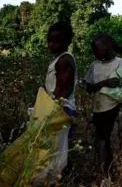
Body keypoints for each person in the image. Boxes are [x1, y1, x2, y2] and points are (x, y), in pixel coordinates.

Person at [84, 33, 122, 178]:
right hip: (99, 109)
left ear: (108, 47)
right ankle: (105, 172)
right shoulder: (94, 66)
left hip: (115, 109)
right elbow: (88, 87)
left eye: (98, 49)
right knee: (103, 140)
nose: (95, 53)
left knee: (107, 140)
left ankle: (110, 172)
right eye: (94, 50)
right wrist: (103, 83)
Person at [41, 21, 78, 183]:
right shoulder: (59, 60)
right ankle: (53, 178)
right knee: (53, 147)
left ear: (67, 42)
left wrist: (52, 108)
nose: (51, 45)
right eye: (49, 41)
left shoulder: (64, 60)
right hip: (56, 109)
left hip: (60, 110)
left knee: (57, 149)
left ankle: (55, 179)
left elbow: (64, 89)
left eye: (56, 41)